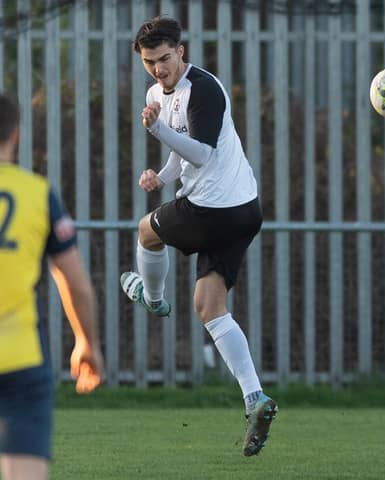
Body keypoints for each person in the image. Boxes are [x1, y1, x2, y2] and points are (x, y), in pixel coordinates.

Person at [120, 16, 276, 457]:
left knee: (145, 232)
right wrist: (160, 177)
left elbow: (203, 154)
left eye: (165, 59)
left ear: (181, 52)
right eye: (150, 62)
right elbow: (181, 154)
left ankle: (152, 299)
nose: (158, 69)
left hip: (214, 209)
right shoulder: (156, 94)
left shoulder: (203, 88)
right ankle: (256, 398)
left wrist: (157, 130)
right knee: (210, 307)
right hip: (244, 211)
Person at [0, 93, 104, 480]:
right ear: (17, 135)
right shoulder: (39, 193)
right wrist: (87, 343)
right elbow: (75, 282)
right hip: (21, 357)